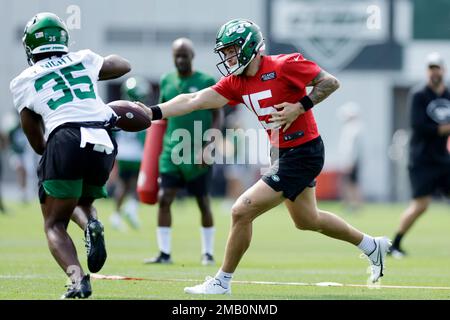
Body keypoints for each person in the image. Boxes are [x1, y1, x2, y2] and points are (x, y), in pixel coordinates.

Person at [138, 19, 391, 294]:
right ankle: (371, 245)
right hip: (282, 151)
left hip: (302, 151)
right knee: (308, 220)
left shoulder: (284, 65)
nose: (227, 57)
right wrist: (152, 112)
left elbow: (330, 82)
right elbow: (193, 99)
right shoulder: (237, 82)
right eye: (225, 52)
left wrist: (300, 106)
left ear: (249, 47)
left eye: (231, 50)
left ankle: (222, 282)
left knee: (241, 210)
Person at [9, 12, 131, 298]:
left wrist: (50, 155)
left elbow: (35, 138)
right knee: (83, 201)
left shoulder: (23, 80)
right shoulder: (84, 58)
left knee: (54, 222)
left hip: (65, 137)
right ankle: (91, 224)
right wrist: (93, 66)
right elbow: (124, 65)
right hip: (104, 137)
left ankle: (78, 280)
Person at [144, 38, 223, 266]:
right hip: (171, 150)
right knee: (164, 198)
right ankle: (164, 253)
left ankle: (207, 253)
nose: (180, 60)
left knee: (203, 202)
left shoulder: (206, 81)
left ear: (192, 56)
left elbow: (218, 114)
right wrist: (153, 151)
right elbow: (161, 118)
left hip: (198, 150)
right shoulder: (166, 80)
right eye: (176, 55)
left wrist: (209, 145)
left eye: (184, 55)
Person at [389, 52, 450, 258]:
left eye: (437, 68)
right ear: (427, 71)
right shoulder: (419, 95)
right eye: (431, 68)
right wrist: (443, 129)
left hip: (443, 158)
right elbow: (418, 126)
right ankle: (395, 244)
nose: (434, 72)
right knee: (420, 206)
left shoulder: (448, 95)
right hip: (421, 159)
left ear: (444, 70)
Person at [109, 76, 149, 230]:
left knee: (122, 186)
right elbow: (143, 136)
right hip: (136, 154)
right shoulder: (140, 111)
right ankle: (131, 208)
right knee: (137, 185)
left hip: (121, 153)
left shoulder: (117, 108)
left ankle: (117, 215)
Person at [337, 102, 364, 213]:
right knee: (349, 183)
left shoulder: (354, 128)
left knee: (352, 184)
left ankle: (355, 205)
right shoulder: (350, 127)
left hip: (352, 161)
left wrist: (350, 162)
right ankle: (349, 203)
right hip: (349, 161)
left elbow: (353, 148)